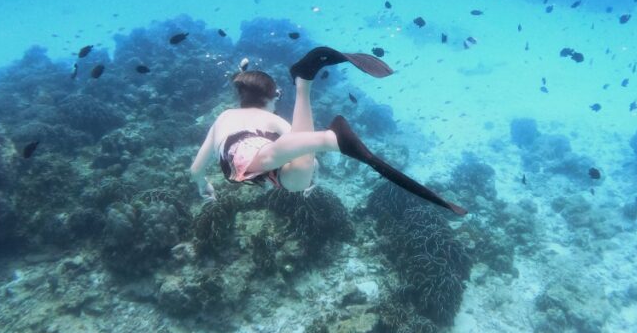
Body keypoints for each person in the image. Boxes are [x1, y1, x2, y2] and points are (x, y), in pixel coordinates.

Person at [189, 46, 467, 215]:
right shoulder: (273, 122)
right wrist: (314, 172)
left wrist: (203, 184)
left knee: (285, 170)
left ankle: (328, 137)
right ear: (273, 97)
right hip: (262, 155)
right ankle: (303, 83)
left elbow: (196, 168)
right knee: (294, 171)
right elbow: (299, 143)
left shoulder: (224, 117)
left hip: (249, 157)